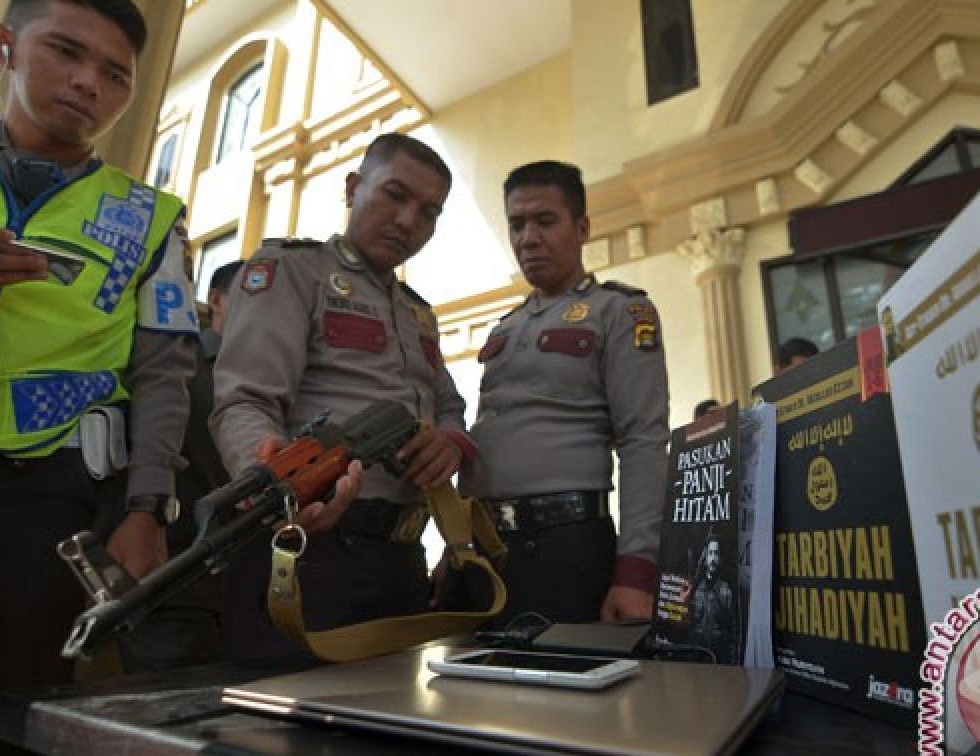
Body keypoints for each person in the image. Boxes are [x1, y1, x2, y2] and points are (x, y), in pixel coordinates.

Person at [0, 0, 197, 756]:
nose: (89, 82)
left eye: (115, 73)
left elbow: (165, 371)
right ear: (4, 46)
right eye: (65, 51)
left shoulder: (152, 220)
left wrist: (145, 508)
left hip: (34, 506)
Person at [211, 133, 473, 658]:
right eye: (394, 195)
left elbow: (447, 400)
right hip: (312, 547)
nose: (407, 222)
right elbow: (245, 400)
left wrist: (449, 440)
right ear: (354, 187)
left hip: (401, 558)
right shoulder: (291, 270)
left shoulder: (418, 311)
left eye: (428, 212)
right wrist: (272, 473)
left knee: (388, 727)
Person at [458, 160, 669, 626]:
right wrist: (458, 547)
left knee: (562, 692)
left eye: (545, 221)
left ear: (583, 227)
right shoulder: (505, 328)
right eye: (517, 224)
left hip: (564, 547)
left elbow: (643, 441)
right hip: (487, 552)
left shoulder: (620, 311)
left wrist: (637, 571)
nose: (527, 238)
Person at [114, 260, 243, 672]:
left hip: (248, 595)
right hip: (170, 582)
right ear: (216, 301)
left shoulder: (279, 377)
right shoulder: (172, 372)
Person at [688, 535, 739, 663]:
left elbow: (734, 635)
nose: (713, 558)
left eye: (716, 553)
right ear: (705, 558)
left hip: (720, 662)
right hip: (697, 661)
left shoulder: (727, 592)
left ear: (720, 559)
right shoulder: (695, 590)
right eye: (710, 553)